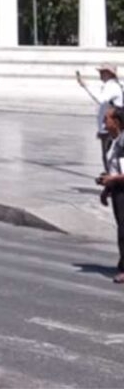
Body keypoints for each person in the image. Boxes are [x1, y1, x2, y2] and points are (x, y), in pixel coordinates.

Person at [94, 106, 124, 284]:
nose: (104, 122)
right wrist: (106, 188)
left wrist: (111, 179)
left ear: (117, 122)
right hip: (117, 190)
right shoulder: (112, 141)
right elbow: (114, 169)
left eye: (107, 119)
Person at [77, 64, 124, 169]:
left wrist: (86, 86)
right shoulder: (110, 86)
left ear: (109, 73)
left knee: (113, 156)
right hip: (109, 126)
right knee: (111, 156)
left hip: (112, 127)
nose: (100, 74)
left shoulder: (112, 87)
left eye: (102, 72)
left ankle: (114, 180)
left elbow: (100, 99)